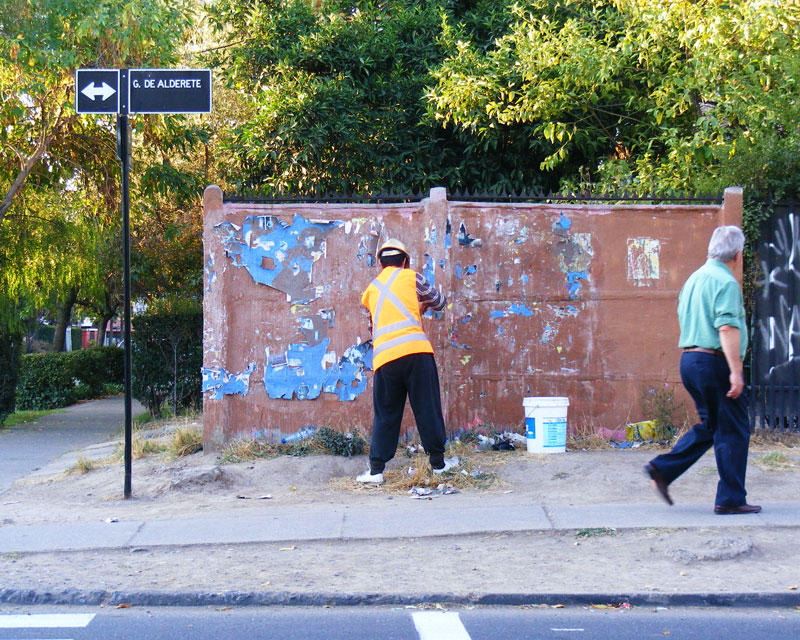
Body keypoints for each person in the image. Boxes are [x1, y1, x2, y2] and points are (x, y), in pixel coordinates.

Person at [645, 225, 760, 515]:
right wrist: (736, 371)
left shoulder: (694, 279)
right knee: (734, 428)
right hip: (714, 362)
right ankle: (731, 499)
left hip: (690, 360)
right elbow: (727, 327)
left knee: (712, 425)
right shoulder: (726, 282)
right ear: (737, 254)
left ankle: (662, 469)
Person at [356, 238, 458, 483]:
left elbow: (373, 326)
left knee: (386, 413)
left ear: (381, 263)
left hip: (385, 358)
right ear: (404, 260)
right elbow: (439, 301)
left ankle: (376, 471)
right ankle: (438, 465)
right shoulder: (413, 277)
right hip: (416, 352)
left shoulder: (370, 290)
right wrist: (420, 307)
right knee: (427, 406)